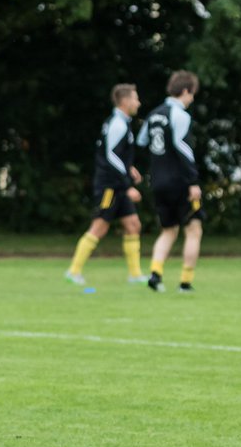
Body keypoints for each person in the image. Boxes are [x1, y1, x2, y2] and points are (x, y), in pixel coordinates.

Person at [65, 84, 147, 285]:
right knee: (99, 227)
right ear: (125, 101)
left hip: (118, 184)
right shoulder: (117, 124)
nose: (138, 103)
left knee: (133, 225)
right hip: (110, 186)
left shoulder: (122, 123)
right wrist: (127, 184)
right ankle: (73, 271)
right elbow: (110, 156)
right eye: (135, 99)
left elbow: (116, 155)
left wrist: (129, 168)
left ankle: (135, 275)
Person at [136, 70, 204, 292]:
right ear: (185, 91)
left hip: (158, 181)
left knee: (168, 230)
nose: (192, 99)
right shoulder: (180, 114)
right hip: (180, 182)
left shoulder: (154, 114)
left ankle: (155, 275)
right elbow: (182, 146)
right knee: (193, 229)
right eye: (192, 94)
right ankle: (185, 282)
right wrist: (193, 180)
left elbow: (142, 140)